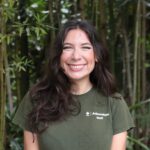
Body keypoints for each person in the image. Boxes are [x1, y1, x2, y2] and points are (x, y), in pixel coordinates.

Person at [13, 20, 134, 150]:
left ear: (96, 55)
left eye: (85, 47)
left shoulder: (114, 103)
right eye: (68, 47)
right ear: (59, 55)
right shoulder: (36, 99)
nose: (76, 56)